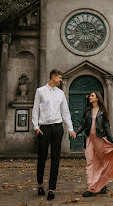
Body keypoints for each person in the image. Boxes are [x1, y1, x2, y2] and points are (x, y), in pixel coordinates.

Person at [75, 91, 113, 197]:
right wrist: (75, 132)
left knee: (101, 164)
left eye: (92, 96)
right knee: (90, 163)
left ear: (97, 98)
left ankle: (102, 185)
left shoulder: (103, 112)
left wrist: (112, 141)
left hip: (100, 140)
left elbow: (107, 128)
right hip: (89, 140)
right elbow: (83, 125)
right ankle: (91, 188)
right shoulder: (87, 112)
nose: (90, 97)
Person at [32, 69, 76, 201]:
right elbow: (35, 110)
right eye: (60, 78)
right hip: (43, 129)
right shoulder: (40, 91)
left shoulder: (61, 93)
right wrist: (36, 127)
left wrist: (70, 128)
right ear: (53, 77)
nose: (61, 80)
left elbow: (65, 112)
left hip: (57, 128)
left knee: (55, 159)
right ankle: (40, 185)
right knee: (42, 158)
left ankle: (51, 189)